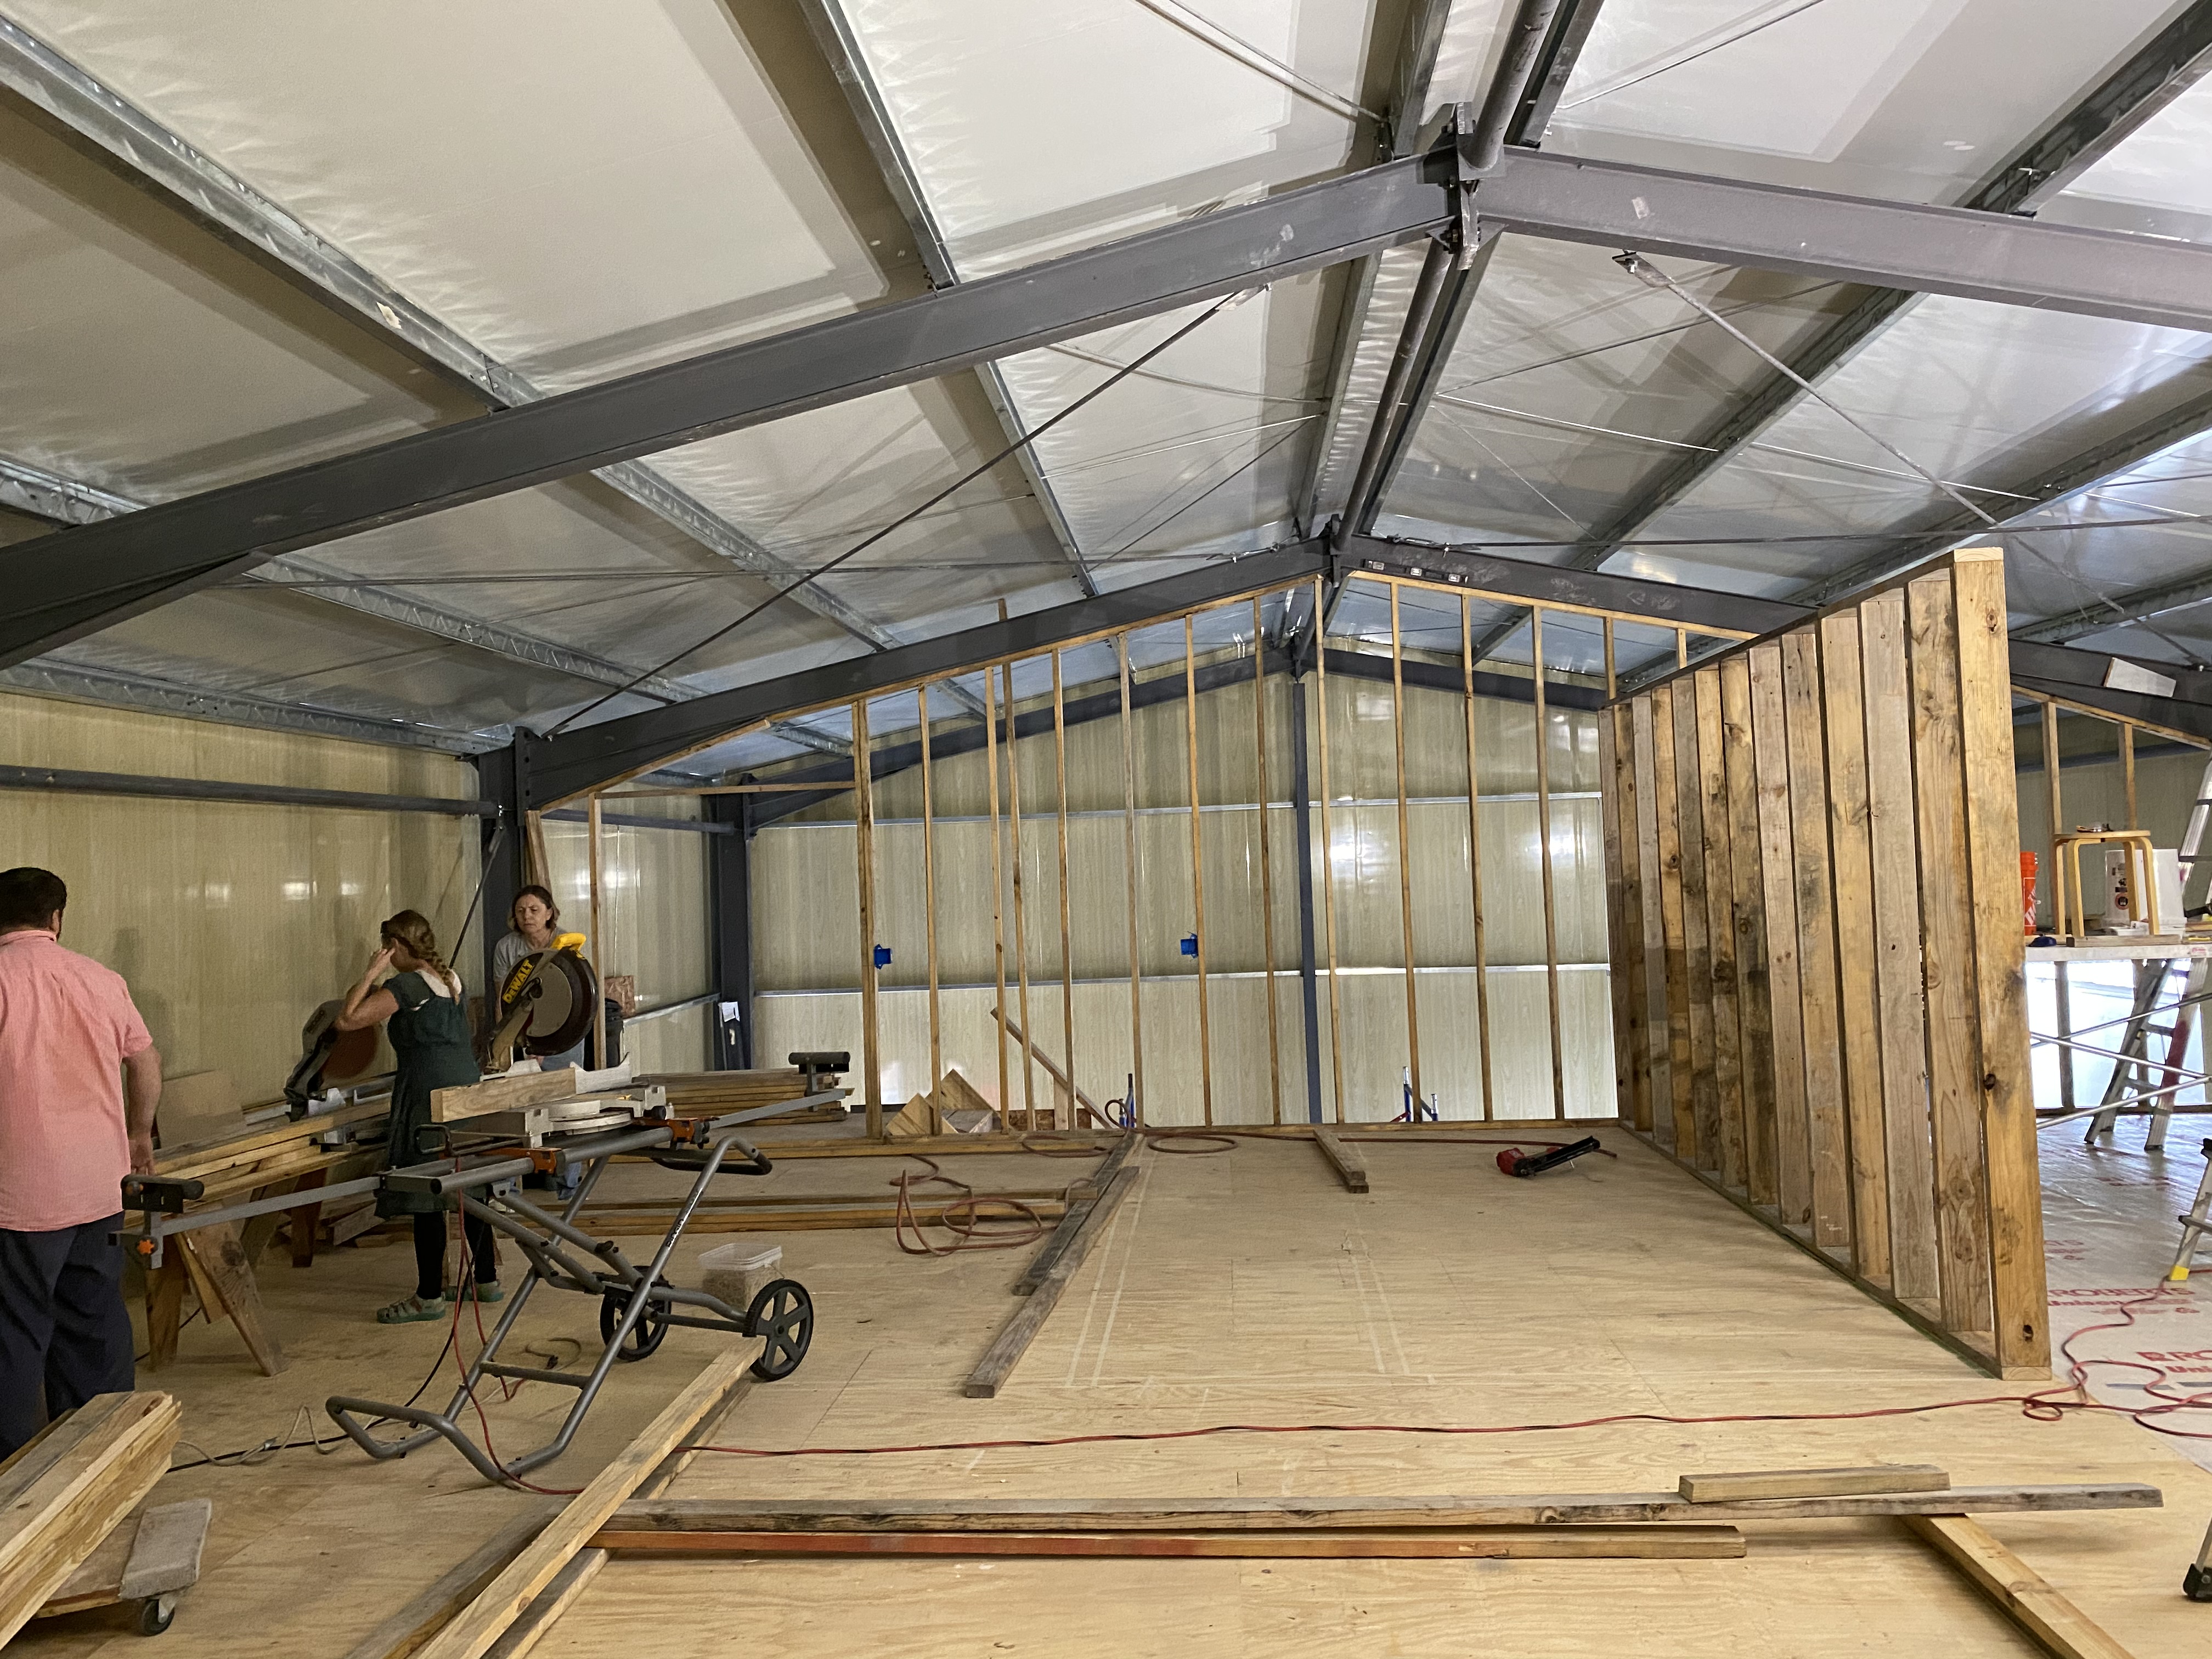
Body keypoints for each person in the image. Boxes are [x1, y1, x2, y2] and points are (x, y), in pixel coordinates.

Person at [0, 867, 162, 1459]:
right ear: (56, 919)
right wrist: (139, 1134)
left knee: (14, 1329)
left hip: (18, 1195)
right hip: (98, 1185)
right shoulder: (102, 979)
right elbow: (145, 1063)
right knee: (94, 1316)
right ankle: (105, 1450)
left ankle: (13, 1469)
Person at [335, 910, 500, 1324]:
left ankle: (429, 1297)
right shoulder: (450, 980)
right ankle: (487, 1280)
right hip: (465, 1087)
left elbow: (348, 1019)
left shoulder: (407, 985)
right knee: (469, 1182)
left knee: (427, 1188)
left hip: (428, 1091)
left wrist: (371, 972)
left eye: (388, 948)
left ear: (398, 947)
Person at [489, 885, 585, 1073]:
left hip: (563, 1026)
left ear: (549, 913)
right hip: (524, 1028)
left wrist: (545, 1044)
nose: (527, 916)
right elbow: (503, 1000)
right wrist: (503, 1044)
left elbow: (571, 999)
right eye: (521, 911)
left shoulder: (566, 943)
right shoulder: (506, 948)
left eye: (534, 910)